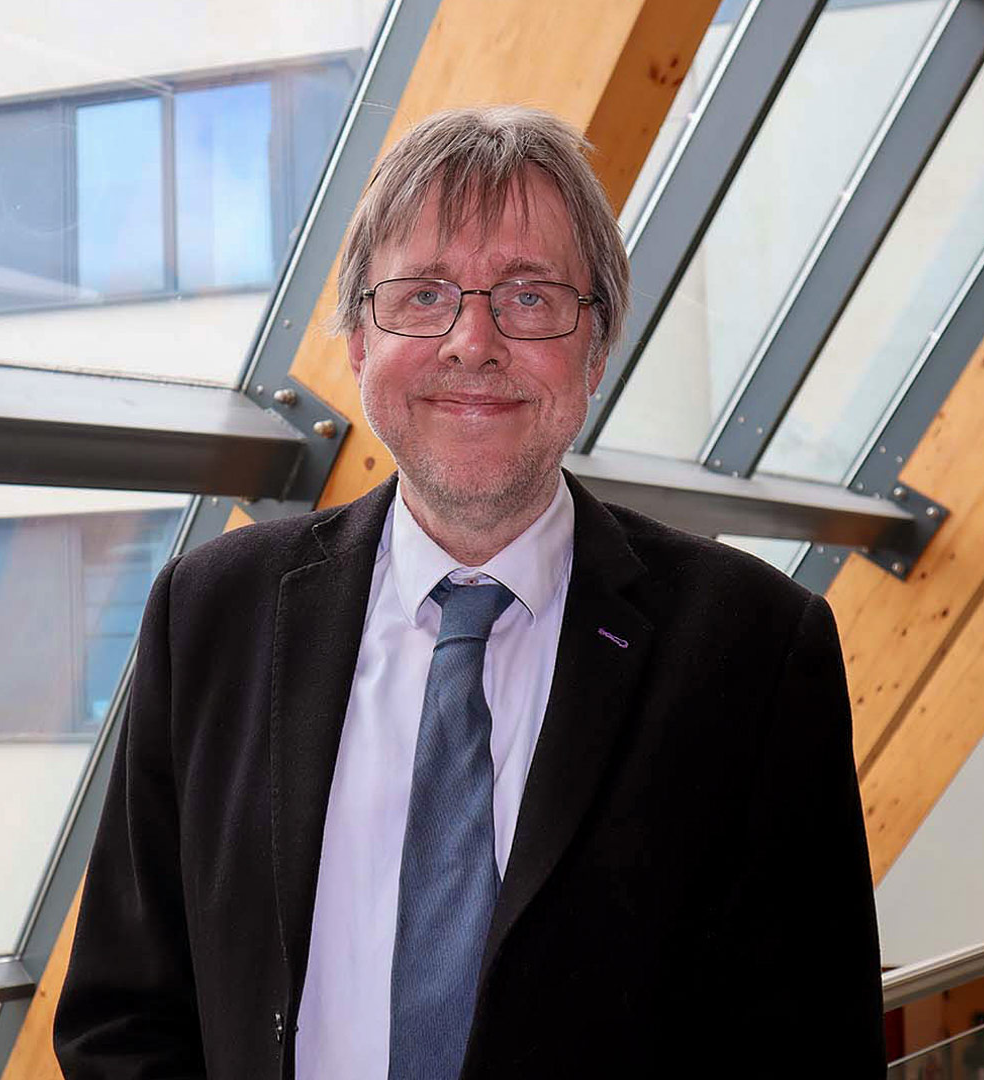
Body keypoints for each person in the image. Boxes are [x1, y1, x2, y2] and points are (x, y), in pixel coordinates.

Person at [53, 105, 884, 1079]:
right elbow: (122, 1014)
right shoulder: (211, 613)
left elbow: (809, 1042)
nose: (472, 341)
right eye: (424, 295)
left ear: (597, 346)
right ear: (359, 342)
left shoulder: (751, 646)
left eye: (529, 299)